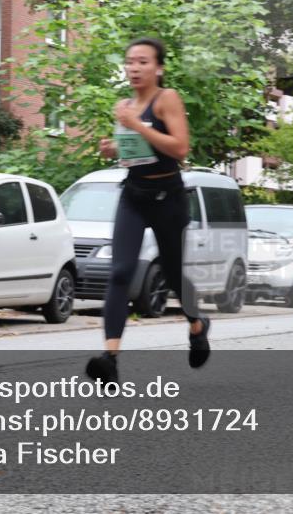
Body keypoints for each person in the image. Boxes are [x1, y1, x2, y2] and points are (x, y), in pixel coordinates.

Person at [85, 38, 209, 385]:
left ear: (159, 68)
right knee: (120, 272)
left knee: (172, 275)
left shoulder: (167, 99)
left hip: (168, 197)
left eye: (143, 61)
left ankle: (197, 325)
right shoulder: (123, 105)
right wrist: (113, 148)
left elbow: (180, 148)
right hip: (134, 195)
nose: (135, 68)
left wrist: (137, 124)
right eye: (130, 61)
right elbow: (137, 151)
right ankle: (110, 359)